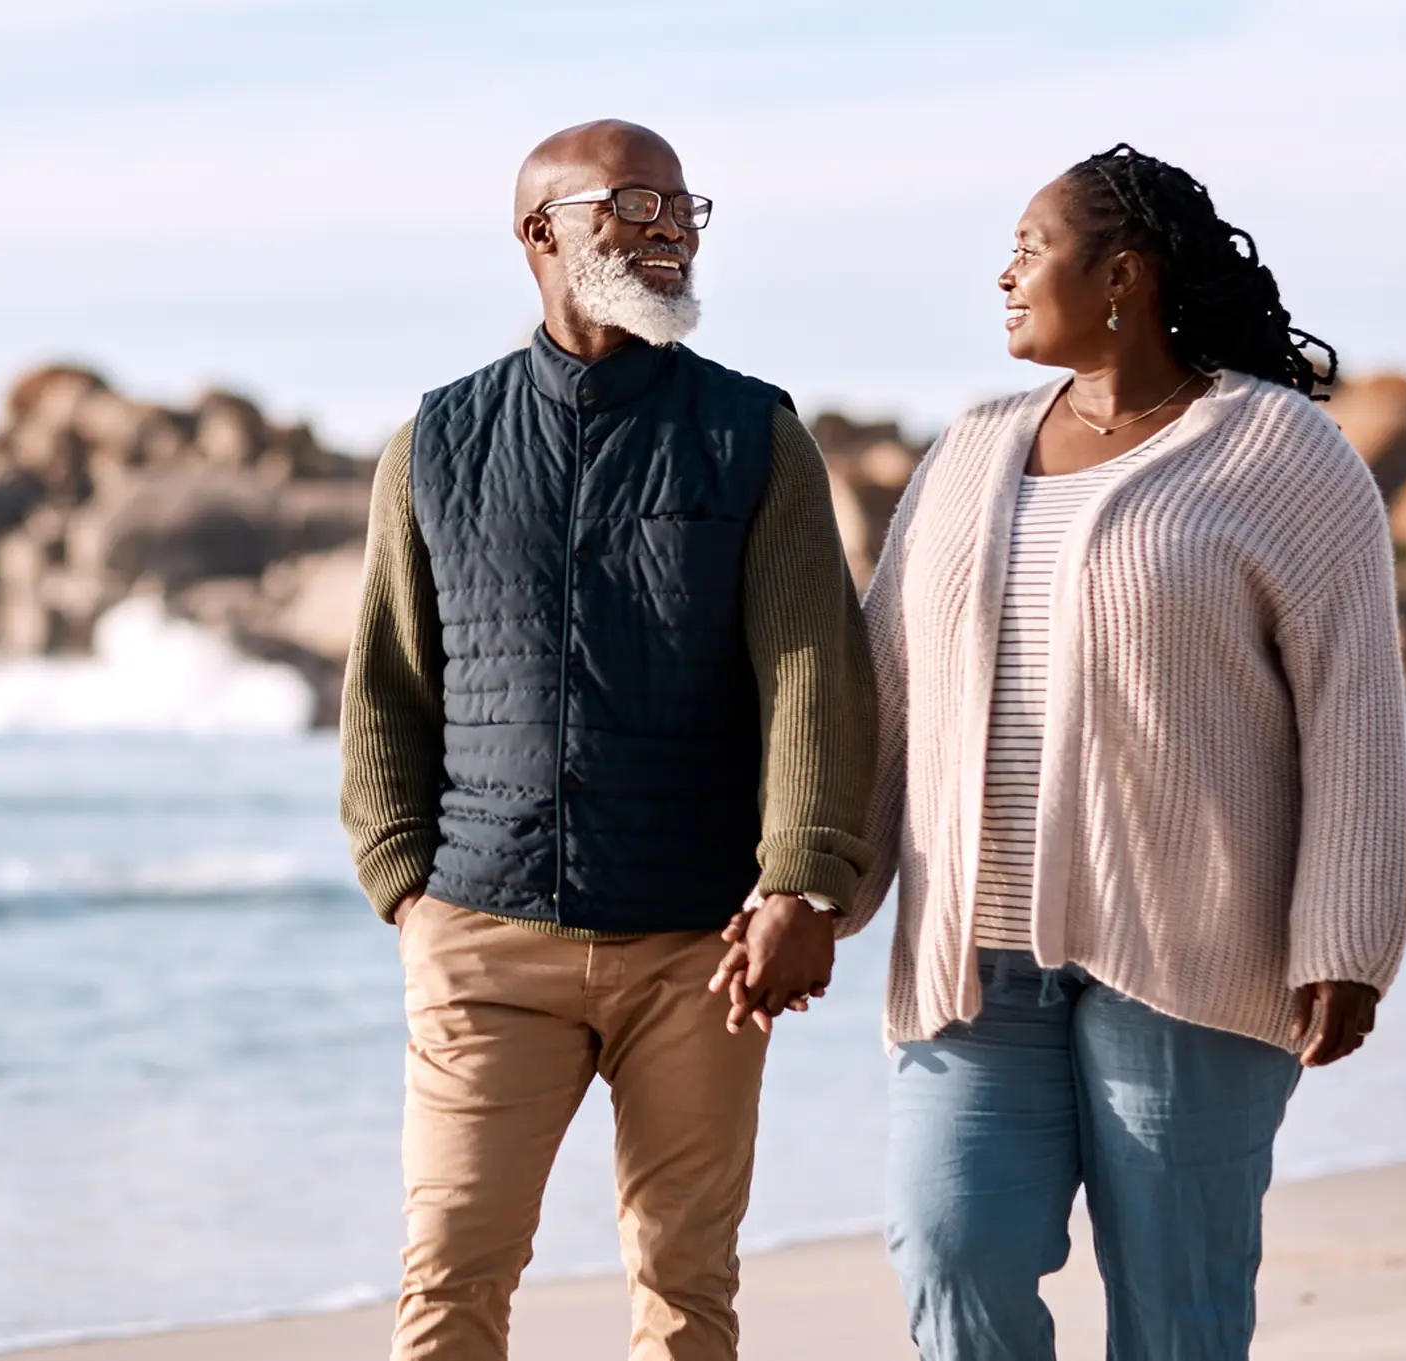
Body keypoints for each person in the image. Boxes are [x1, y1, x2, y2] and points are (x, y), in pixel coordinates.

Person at [722, 143, 1406, 1359]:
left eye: (1030, 246)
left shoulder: (1282, 455)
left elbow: (1350, 705)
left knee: (1177, 1307)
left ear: (1122, 275)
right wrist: (810, 887)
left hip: (1191, 956)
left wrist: (1343, 939)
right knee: (947, 1248)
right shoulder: (970, 449)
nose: (1003, 272)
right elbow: (880, 692)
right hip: (970, 961)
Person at [338, 118, 874, 1361]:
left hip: (700, 944)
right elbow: (385, 686)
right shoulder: (433, 442)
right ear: (541, 232)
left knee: (685, 1282)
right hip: (482, 936)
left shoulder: (754, 434)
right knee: (448, 1275)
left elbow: (812, 672)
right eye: (635, 205)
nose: (671, 230)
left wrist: (802, 879)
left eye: (685, 208)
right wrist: (404, 886)